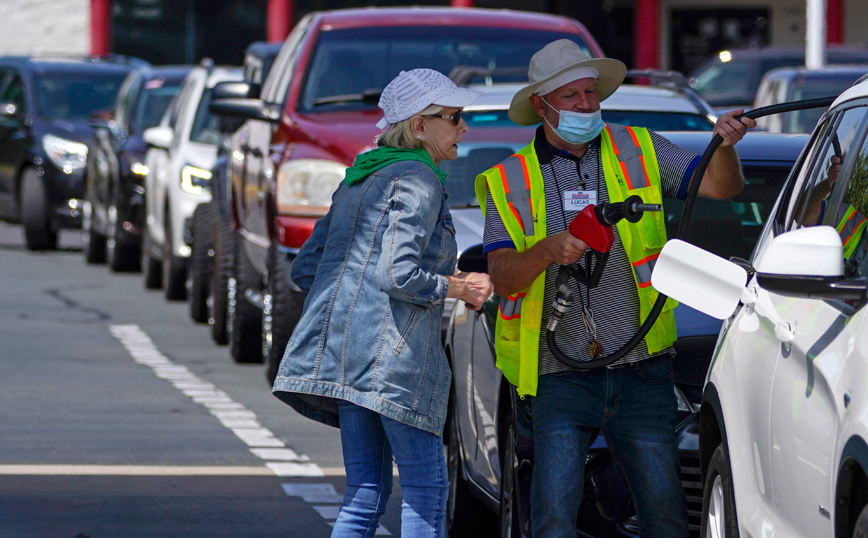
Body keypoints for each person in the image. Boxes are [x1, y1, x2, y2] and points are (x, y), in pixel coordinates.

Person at [475, 40, 755, 537]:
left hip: (641, 370)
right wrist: (546, 251)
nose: (587, 105)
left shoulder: (639, 147)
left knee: (665, 515)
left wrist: (725, 147)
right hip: (559, 375)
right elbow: (501, 277)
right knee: (554, 519)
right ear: (541, 106)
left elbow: (720, 187)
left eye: (591, 93)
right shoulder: (508, 179)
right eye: (572, 97)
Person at [272, 68, 494, 538]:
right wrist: (459, 286)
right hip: (396, 363)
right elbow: (398, 274)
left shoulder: (362, 174)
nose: (463, 128)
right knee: (425, 490)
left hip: (347, 358)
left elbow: (307, 268)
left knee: (364, 492)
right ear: (419, 126)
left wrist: (358, 303)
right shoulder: (419, 179)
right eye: (453, 118)